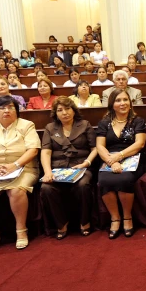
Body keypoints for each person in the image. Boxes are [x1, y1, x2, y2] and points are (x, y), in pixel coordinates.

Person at [0, 96, 41, 254]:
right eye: (2, 108)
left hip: (24, 168)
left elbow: (33, 150)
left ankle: (21, 230)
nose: (7, 111)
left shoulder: (26, 125)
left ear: (17, 111)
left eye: (11, 107)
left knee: (17, 190)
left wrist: (14, 165)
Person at [39, 97, 97, 239]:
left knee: (83, 185)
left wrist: (87, 163)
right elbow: (45, 152)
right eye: (60, 110)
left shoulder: (84, 124)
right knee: (46, 188)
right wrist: (47, 172)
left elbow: (94, 148)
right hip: (57, 168)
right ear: (55, 113)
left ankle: (84, 221)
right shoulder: (50, 128)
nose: (64, 112)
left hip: (81, 166)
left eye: (67, 108)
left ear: (73, 110)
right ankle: (61, 224)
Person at [96, 89, 146, 239]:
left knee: (125, 179)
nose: (122, 103)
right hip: (109, 158)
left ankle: (127, 217)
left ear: (130, 104)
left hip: (132, 157)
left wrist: (120, 156)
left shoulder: (137, 121)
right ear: (112, 104)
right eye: (118, 100)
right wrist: (111, 162)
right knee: (104, 180)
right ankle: (115, 218)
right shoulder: (104, 123)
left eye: (125, 100)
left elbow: (140, 144)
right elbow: (100, 146)